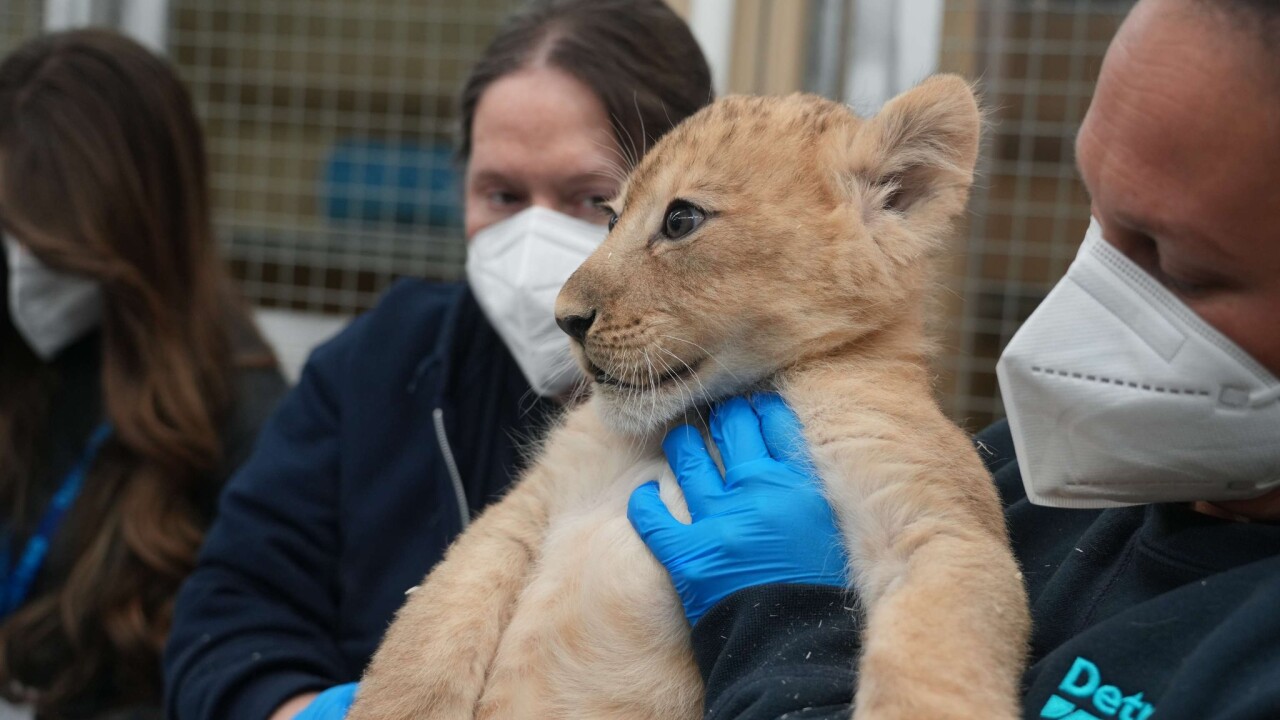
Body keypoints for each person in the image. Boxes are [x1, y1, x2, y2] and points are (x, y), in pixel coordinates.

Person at [627, 0, 1280, 717]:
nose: (1089, 294)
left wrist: (783, 623)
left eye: (1178, 262)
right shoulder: (1046, 469)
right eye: (1095, 215)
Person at [161, 2, 713, 718]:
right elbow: (228, 623)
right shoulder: (381, 366)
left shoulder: (758, 413)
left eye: (592, 202)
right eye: (502, 195)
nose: (532, 238)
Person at [0, 30, 287, 720]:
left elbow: (237, 672)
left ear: (135, 229)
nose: (20, 269)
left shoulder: (248, 418)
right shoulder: (22, 353)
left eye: (47, 242)